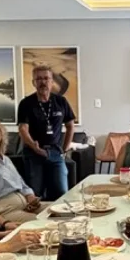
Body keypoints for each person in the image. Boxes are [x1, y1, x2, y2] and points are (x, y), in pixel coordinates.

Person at [17, 65, 76, 200]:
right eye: (39, 79)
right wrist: (34, 146)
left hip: (56, 153)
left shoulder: (61, 101)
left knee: (62, 192)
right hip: (33, 154)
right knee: (36, 193)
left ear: (51, 81)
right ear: (34, 82)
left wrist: (64, 149)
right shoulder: (26, 103)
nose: (43, 82)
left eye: (46, 78)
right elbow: (23, 129)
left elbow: (70, 126)